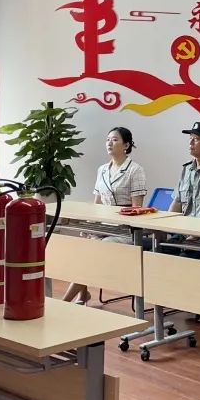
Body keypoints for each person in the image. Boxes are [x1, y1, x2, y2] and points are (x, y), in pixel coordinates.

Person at [63, 127, 147, 305]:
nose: (109, 143)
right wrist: (89, 226)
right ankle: (82, 295)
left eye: (115, 140)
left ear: (126, 145)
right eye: (108, 139)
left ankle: (64, 302)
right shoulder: (102, 169)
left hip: (124, 231)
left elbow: (136, 208)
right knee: (81, 247)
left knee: (96, 250)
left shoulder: (135, 170)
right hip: (103, 226)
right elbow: (97, 203)